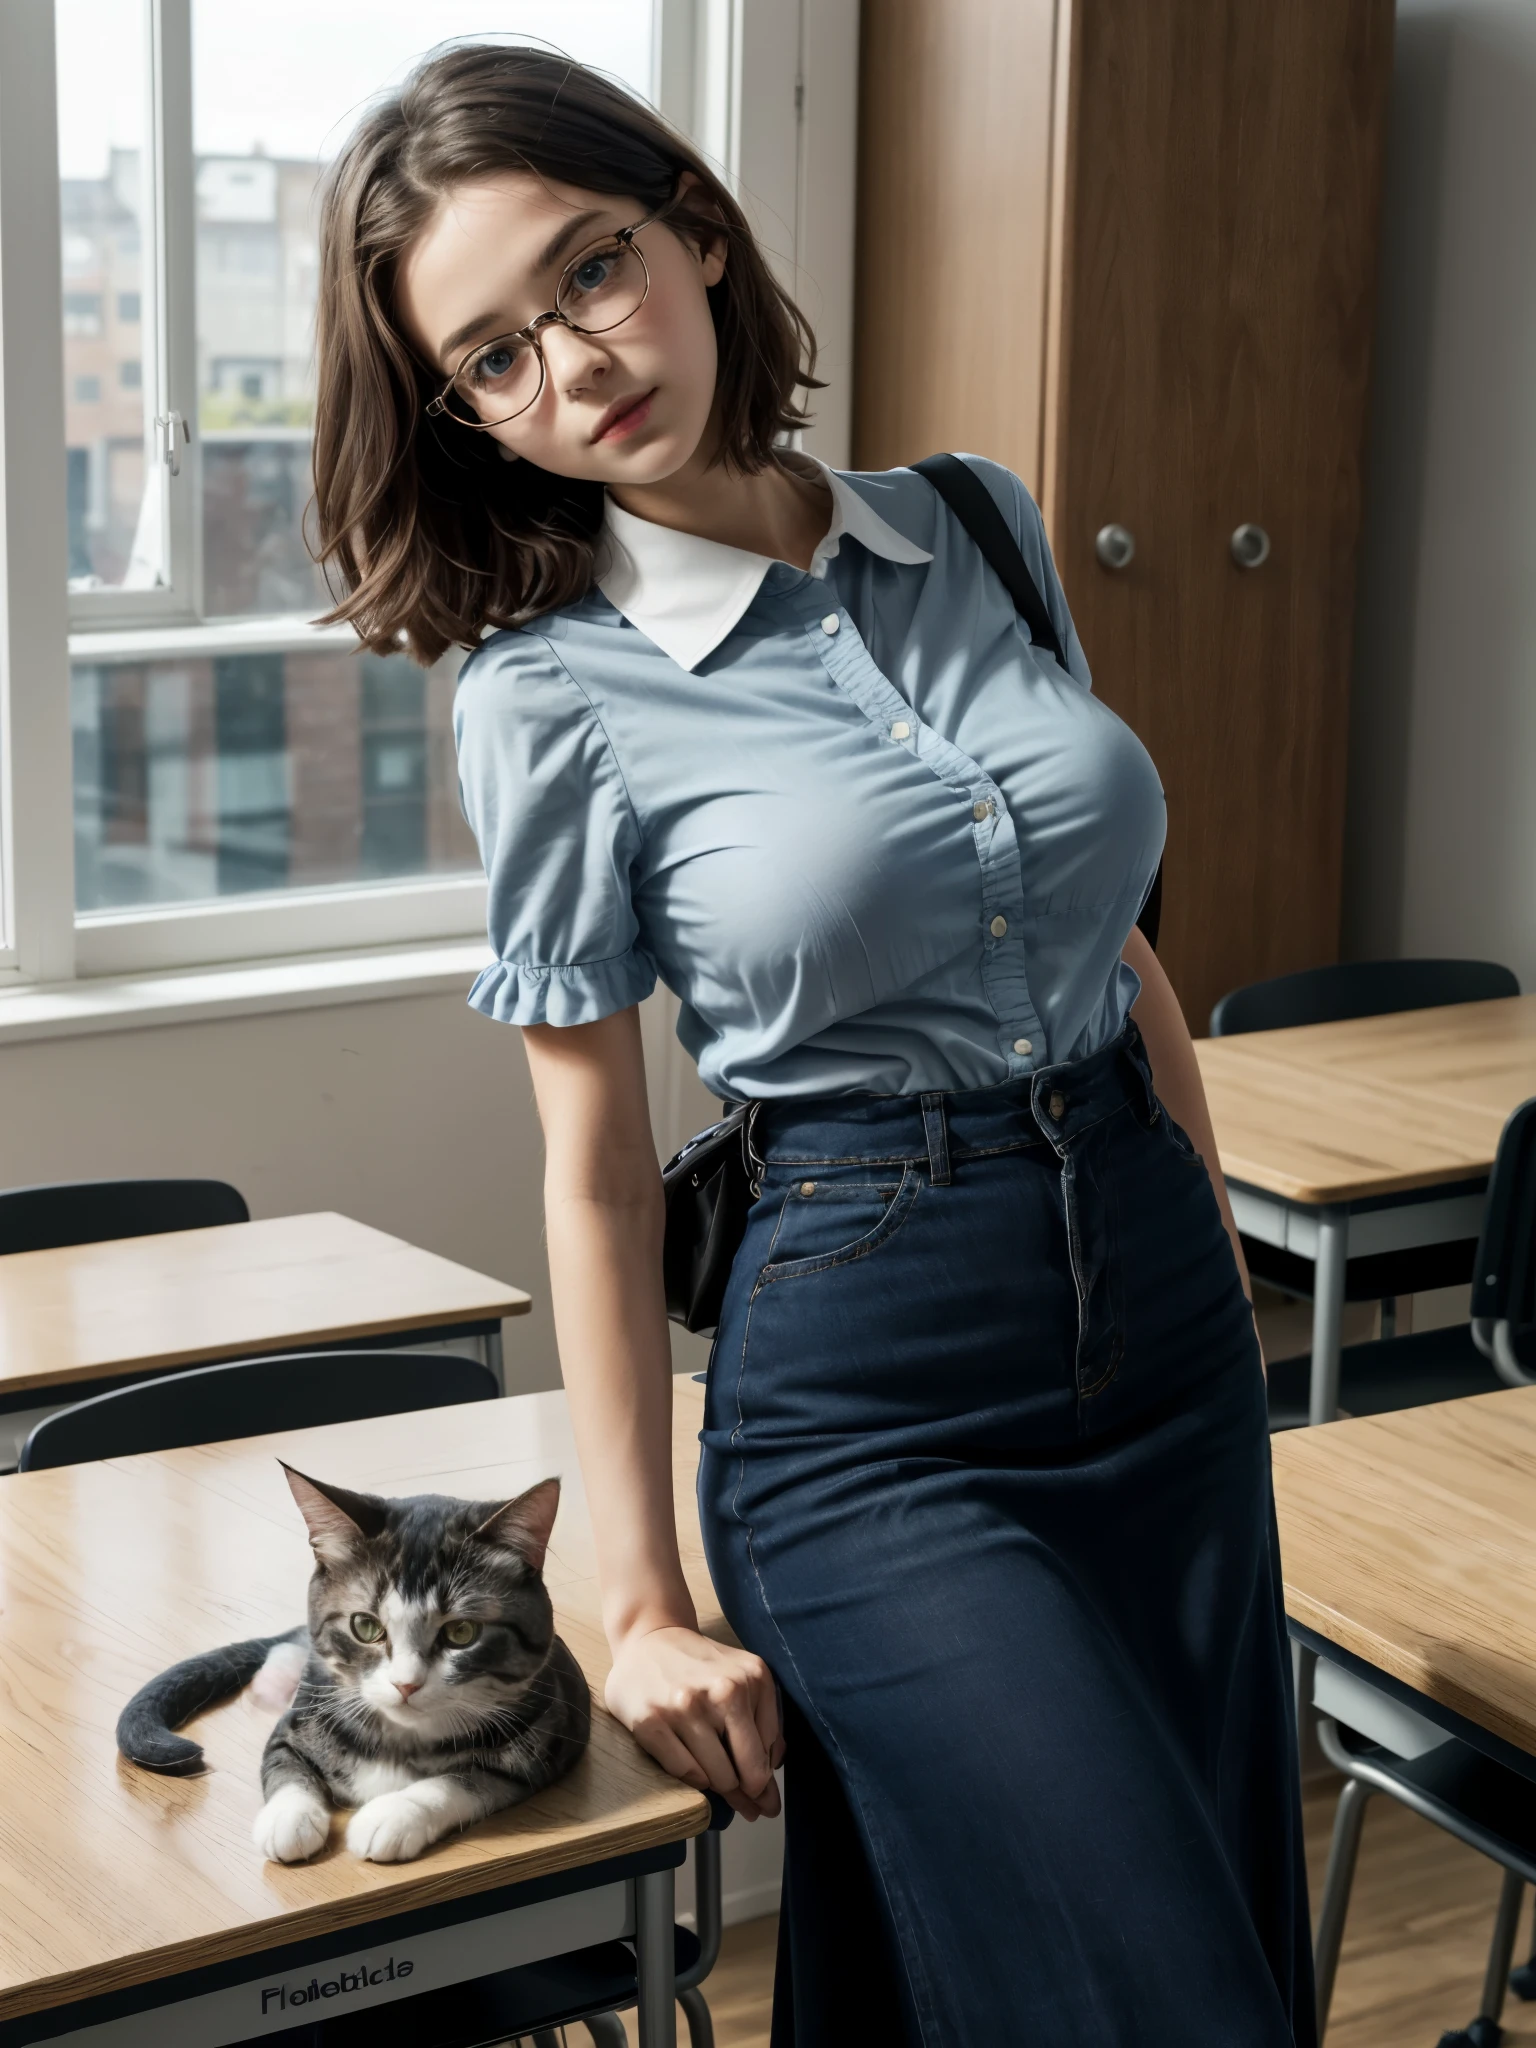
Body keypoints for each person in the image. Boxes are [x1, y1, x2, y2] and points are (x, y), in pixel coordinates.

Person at [310, 42, 1316, 2046]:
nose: (574, 368)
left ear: (690, 220)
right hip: (875, 1395)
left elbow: (1122, 954)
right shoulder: (551, 696)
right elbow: (594, 1168)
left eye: (588, 273)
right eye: (493, 360)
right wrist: (636, 1588)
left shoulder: (980, 525)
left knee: (1181, 1923)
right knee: (1159, 1993)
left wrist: (1204, 1254)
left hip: (1163, 1330)